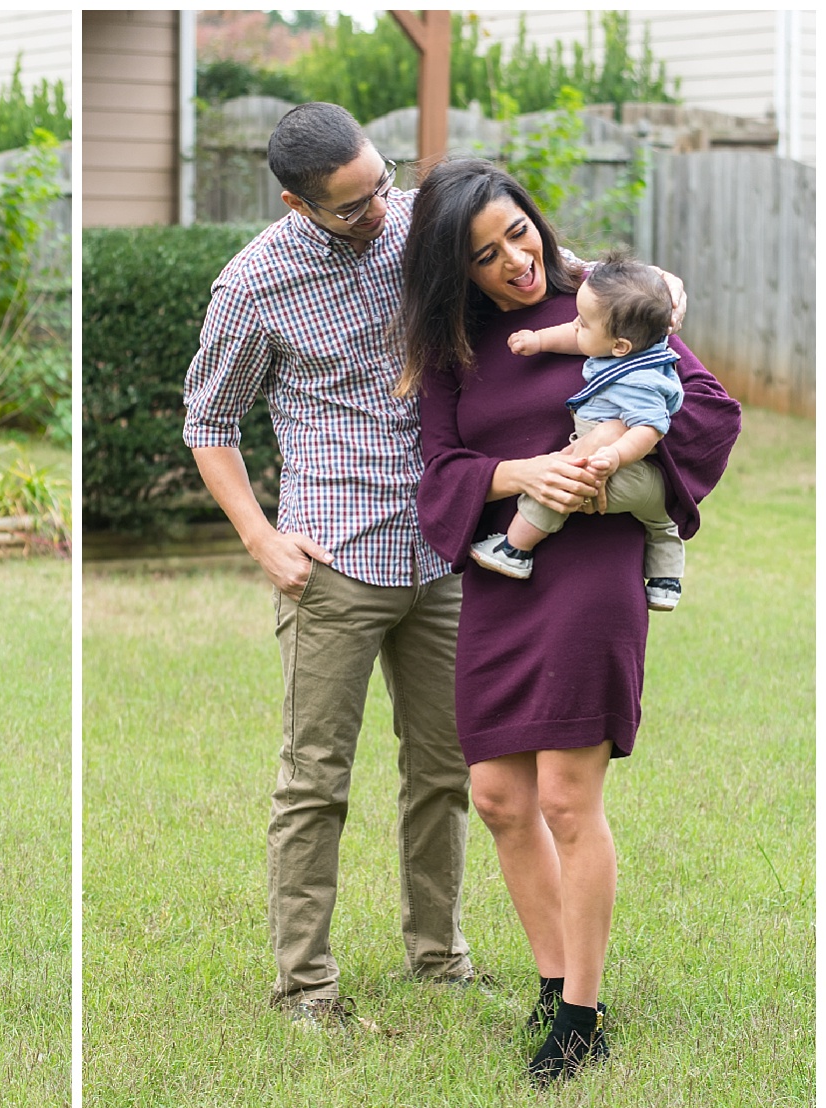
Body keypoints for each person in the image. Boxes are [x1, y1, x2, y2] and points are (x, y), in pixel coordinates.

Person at [182, 103, 687, 1034]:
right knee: (315, 777)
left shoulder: (431, 221)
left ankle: (439, 956)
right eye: (349, 207)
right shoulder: (253, 284)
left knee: (451, 774)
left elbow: (574, 286)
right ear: (299, 202)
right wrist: (261, 537)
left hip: (453, 552)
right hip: (339, 558)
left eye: (382, 184)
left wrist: (639, 291)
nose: (379, 212)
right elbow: (208, 422)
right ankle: (305, 987)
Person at [400, 161, 739, 1083]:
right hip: (499, 572)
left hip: (589, 574)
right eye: (486, 254)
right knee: (500, 798)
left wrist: (593, 477)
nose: (516, 260)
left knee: (565, 800)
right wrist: (520, 475)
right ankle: (552, 985)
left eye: (520, 233)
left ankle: (583, 1013)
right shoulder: (455, 350)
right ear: (454, 271)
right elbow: (440, 473)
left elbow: (706, 409)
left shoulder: (603, 297)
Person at [472, 254, 686, 609]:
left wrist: (612, 456)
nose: (575, 324)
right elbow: (578, 339)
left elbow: (649, 428)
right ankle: (666, 582)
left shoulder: (640, 381)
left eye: (583, 322)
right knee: (661, 523)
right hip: (647, 484)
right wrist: (538, 340)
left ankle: (514, 549)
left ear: (619, 347)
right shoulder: (633, 348)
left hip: (621, 469)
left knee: (556, 488)